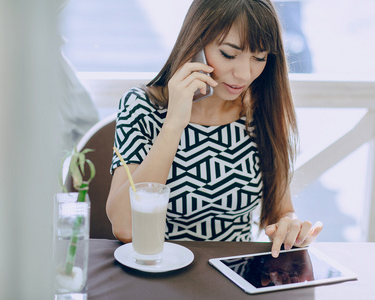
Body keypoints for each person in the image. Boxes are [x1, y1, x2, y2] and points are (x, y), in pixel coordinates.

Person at [106, 0, 322, 258]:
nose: (244, 74)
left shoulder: (261, 111)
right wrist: (174, 122)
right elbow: (125, 227)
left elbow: (280, 211)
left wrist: (290, 225)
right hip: (158, 273)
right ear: (196, 43)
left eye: (259, 57)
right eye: (229, 55)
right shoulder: (140, 106)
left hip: (236, 277)